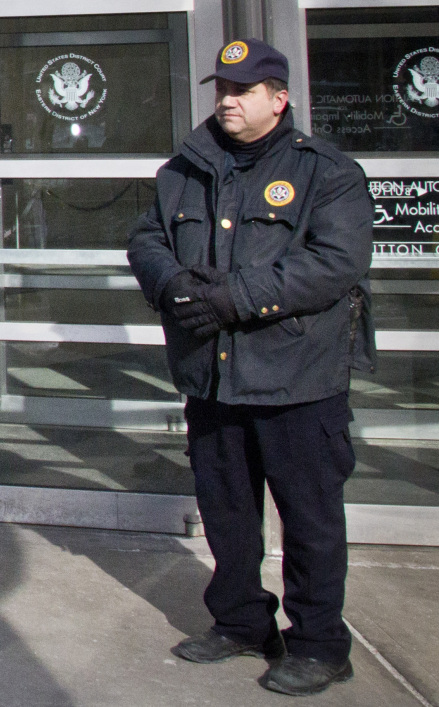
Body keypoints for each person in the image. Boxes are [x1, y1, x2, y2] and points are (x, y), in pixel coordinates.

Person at [127, 38, 375, 696]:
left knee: (310, 519)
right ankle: (239, 622)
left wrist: (230, 297)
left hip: (297, 380)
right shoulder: (184, 168)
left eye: (242, 91)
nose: (228, 101)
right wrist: (174, 287)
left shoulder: (327, 171)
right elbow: (147, 236)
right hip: (212, 376)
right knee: (226, 510)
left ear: (278, 98)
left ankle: (320, 643)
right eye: (221, 90)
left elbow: (334, 262)